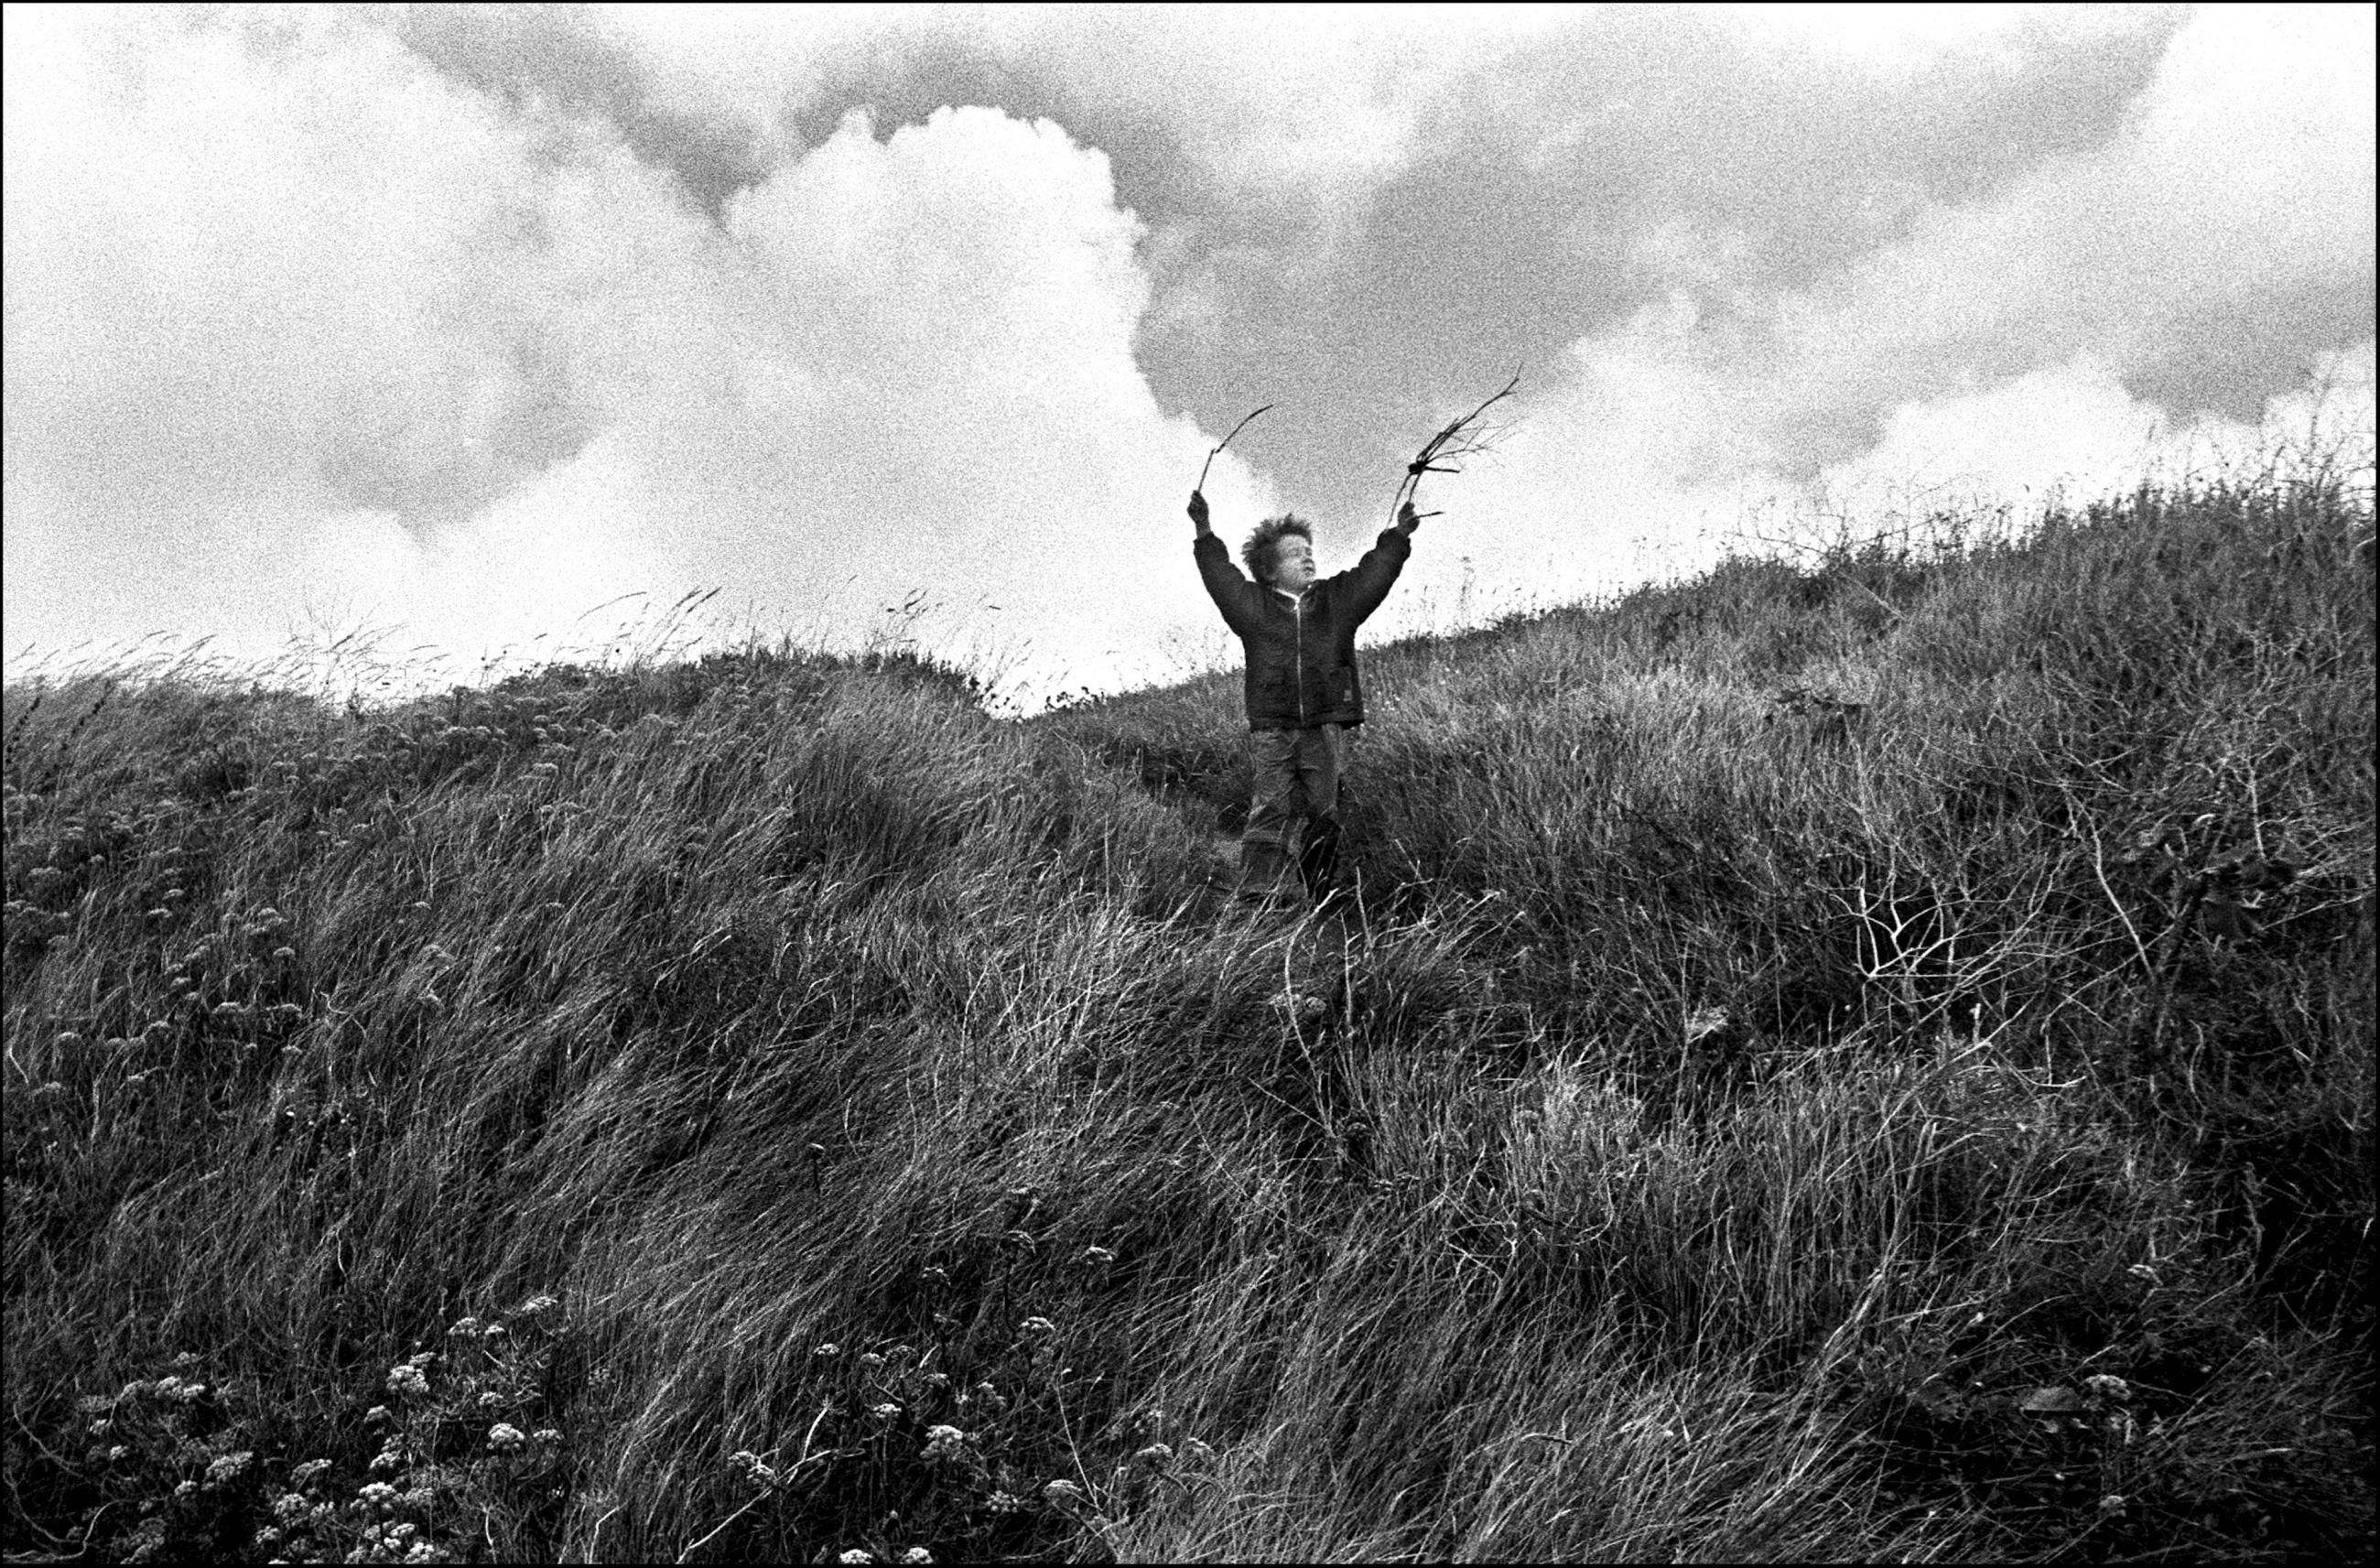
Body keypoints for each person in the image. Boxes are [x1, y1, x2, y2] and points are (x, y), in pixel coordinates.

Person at [1188, 488, 1423, 903]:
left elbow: (1375, 574)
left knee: (1324, 808)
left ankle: (1320, 889)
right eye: (1295, 553)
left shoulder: (1337, 602)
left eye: (1310, 550)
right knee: (1271, 805)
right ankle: (1260, 890)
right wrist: (1204, 531)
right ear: (1270, 570)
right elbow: (1220, 576)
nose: (1308, 556)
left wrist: (1398, 537)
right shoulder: (1251, 607)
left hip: (1324, 723)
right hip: (1272, 726)